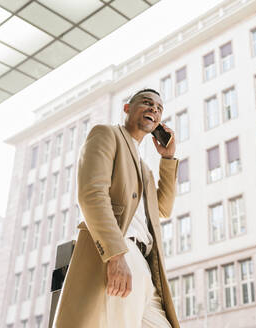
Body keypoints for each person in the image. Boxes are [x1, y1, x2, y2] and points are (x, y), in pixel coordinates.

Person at [53, 89, 180, 328]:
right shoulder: (106, 134)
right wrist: (115, 256)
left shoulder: (144, 169)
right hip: (120, 252)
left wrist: (168, 158)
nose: (154, 109)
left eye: (159, 108)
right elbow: (92, 194)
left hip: (144, 265)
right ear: (127, 109)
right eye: (146, 103)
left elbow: (163, 209)